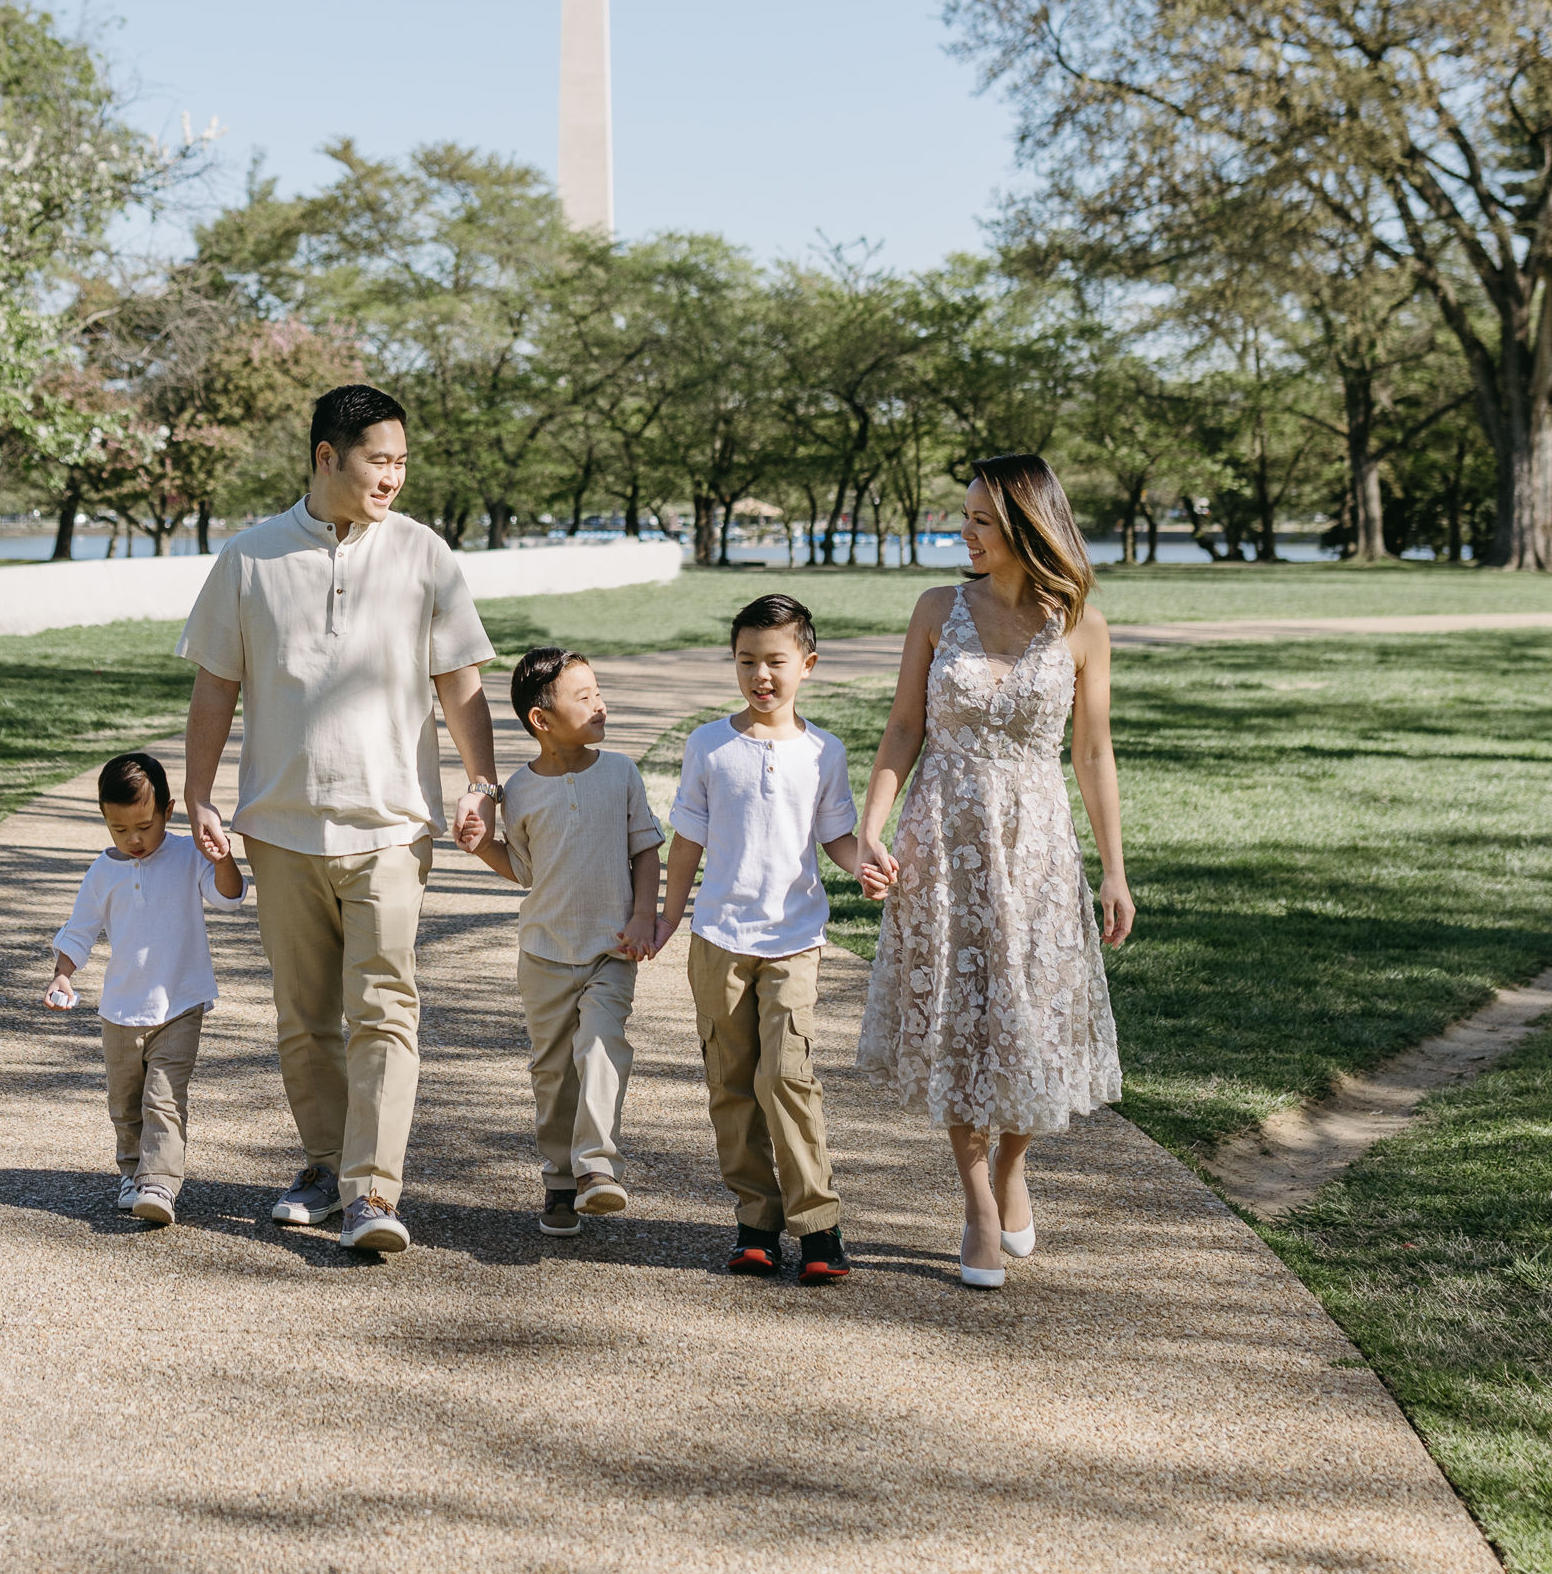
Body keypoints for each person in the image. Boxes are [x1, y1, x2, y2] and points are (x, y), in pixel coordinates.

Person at [177, 384, 502, 1257]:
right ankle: (324, 1165)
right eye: (379, 459)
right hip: (280, 828)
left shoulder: (425, 554)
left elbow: (460, 678)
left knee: (386, 1008)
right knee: (304, 1017)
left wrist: (482, 781)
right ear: (328, 456)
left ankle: (371, 1190)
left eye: (401, 460)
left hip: (392, 824)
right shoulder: (248, 559)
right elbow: (216, 684)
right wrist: (197, 794)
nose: (394, 476)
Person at [853, 454, 1132, 1290]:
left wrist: (1115, 871)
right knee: (963, 1021)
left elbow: (1092, 750)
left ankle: (1013, 1162)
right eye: (964, 517)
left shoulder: (1081, 625)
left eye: (980, 519)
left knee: (1035, 1018)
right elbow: (904, 727)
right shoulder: (938, 609)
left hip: (1039, 847)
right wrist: (872, 826)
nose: (963, 532)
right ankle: (977, 1200)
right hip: (946, 836)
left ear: (1025, 525)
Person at [641, 593, 890, 1286]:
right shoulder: (708, 745)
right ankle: (756, 1220)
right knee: (731, 1082)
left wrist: (864, 864)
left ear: (806, 664)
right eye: (747, 661)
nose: (761, 676)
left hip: (793, 939)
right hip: (718, 936)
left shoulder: (823, 752)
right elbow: (686, 837)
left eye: (775, 661)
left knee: (787, 1076)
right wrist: (668, 918)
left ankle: (818, 1224)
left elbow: (835, 832)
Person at [461, 646, 665, 1238]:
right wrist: (481, 845)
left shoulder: (621, 772)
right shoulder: (518, 791)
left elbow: (645, 849)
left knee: (602, 1045)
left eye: (597, 691)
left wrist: (643, 918)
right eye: (584, 697)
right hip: (544, 951)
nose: (600, 704)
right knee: (553, 1073)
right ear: (540, 721)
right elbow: (523, 870)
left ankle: (597, 1168)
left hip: (611, 947)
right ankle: (558, 1182)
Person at [45, 752, 250, 1229]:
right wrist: (62, 974)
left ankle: (160, 1182)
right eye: (120, 830)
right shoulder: (103, 872)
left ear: (169, 811)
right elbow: (80, 930)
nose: (134, 839)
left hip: (179, 1003)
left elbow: (230, 897)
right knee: (125, 1101)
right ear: (105, 821)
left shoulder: (185, 855)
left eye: (144, 825)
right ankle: (132, 1171)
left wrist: (223, 857)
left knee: (163, 1096)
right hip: (119, 1009)